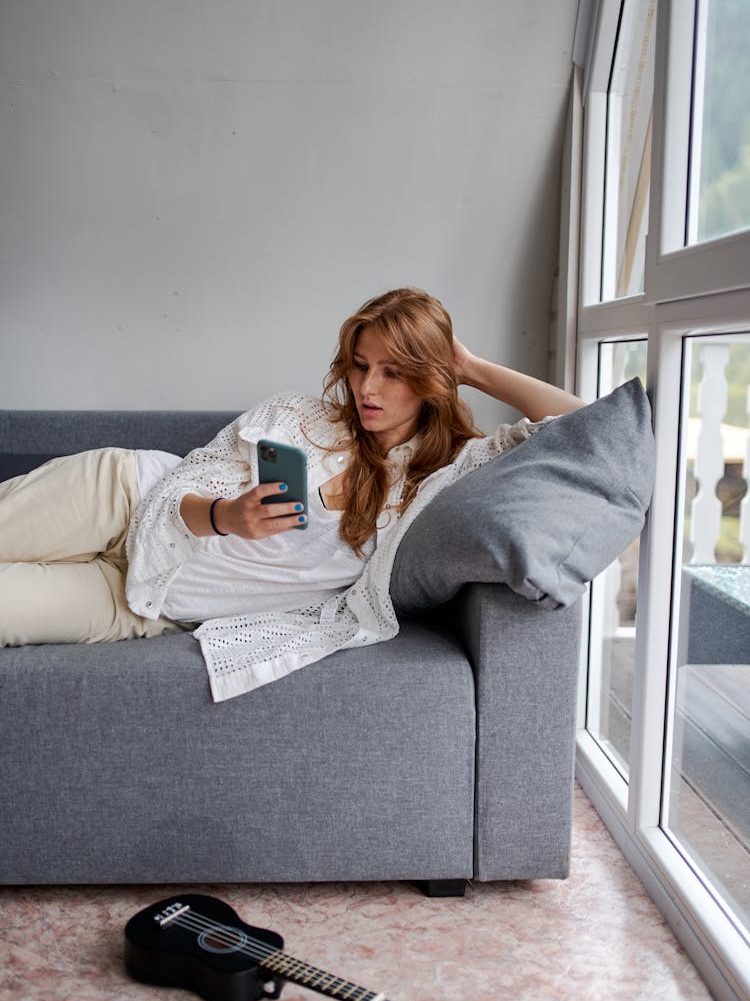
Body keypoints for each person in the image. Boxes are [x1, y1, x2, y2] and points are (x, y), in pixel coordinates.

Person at [0, 288, 582, 697]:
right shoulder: (299, 418)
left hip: (141, 605)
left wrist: (473, 367)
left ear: (432, 379)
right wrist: (226, 516)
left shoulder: (445, 477)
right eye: (359, 366)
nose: (366, 388)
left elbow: (590, 426)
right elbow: (185, 481)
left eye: (393, 372)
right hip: (119, 498)